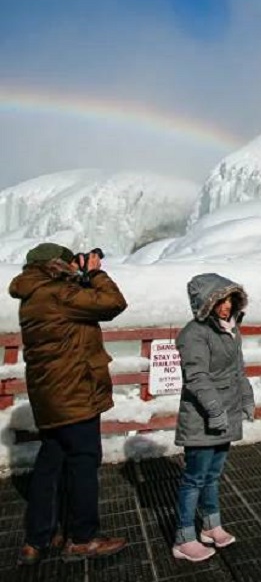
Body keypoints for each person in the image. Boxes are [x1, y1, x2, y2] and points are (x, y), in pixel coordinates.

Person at [8, 242, 128, 565]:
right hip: (74, 394)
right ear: (54, 266)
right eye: (69, 261)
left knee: (50, 465)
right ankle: (82, 538)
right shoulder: (60, 295)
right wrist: (96, 274)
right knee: (84, 462)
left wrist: (77, 276)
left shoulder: (35, 295)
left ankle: (38, 539)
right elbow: (113, 303)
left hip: (50, 397)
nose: (74, 266)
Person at [172, 273, 255, 562]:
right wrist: (215, 410)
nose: (226, 306)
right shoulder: (193, 334)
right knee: (194, 478)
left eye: (230, 299)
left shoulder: (231, 329)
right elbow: (196, 377)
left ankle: (211, 525)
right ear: (206, 303)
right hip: (202, 417)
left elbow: (238, 370)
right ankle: (184, 537)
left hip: (227, 414)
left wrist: (246, 398)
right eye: (219, 300)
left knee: (213, 475)